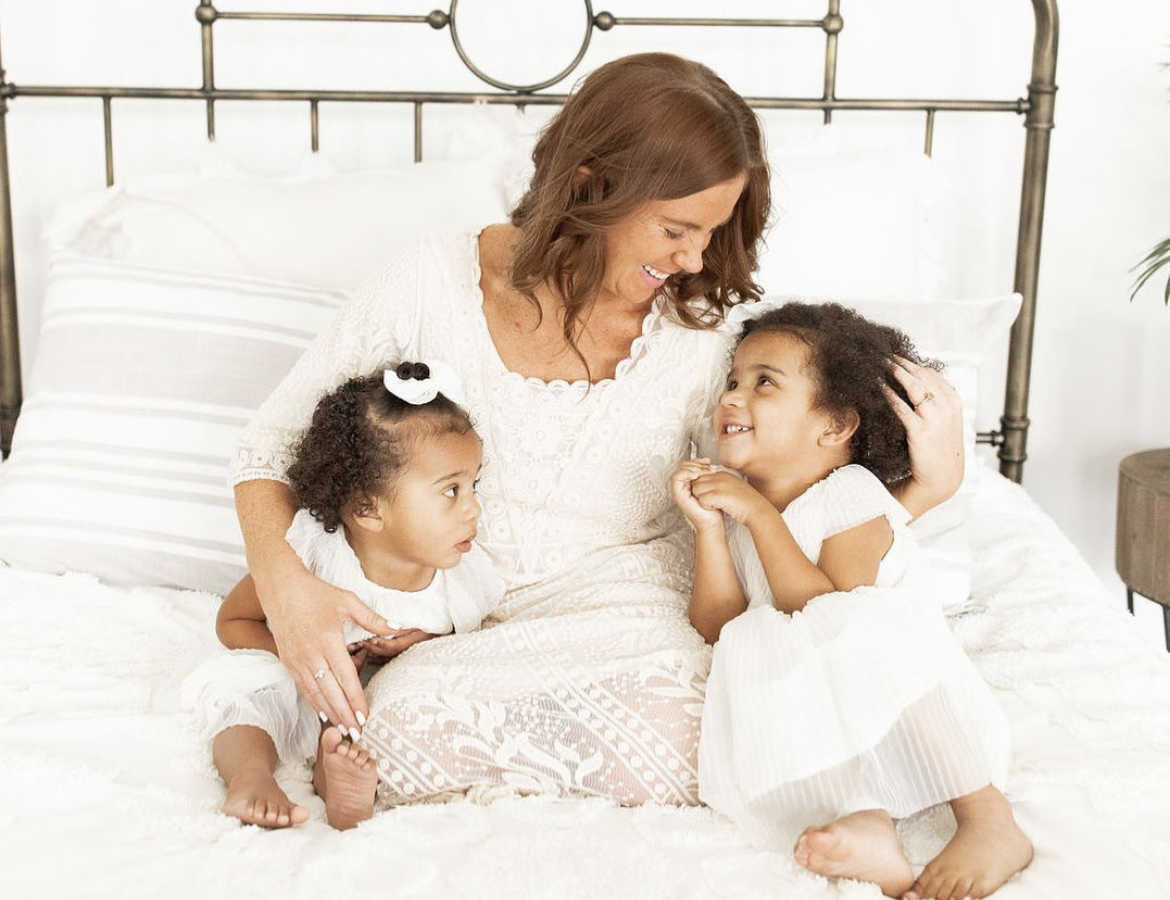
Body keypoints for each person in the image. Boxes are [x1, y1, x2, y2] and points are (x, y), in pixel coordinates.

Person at [229, 52, 965, 808]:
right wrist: (289, 591)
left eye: (710, 234)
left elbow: (776, 493)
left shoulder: (704, 334)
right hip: (450, 616)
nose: (694, 258)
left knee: (727, 715)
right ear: (589, 185)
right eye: (678, 229)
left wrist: (917, 497)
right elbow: (268, 450)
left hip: (629, 610)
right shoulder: (426, 286)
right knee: (387, 728)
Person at [673, 302, 1032, 900]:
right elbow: (717, 625)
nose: (733, 397)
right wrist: (709, 530)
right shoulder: (736, 507)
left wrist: (760, 517)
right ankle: (869, 825)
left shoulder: (851, 495)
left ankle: (987, 816)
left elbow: (826, 611)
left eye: (765, 383)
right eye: (732, 381)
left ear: (835, 427)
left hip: (901, 695)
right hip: (819, 704)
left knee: (848, 625)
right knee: (750, 650)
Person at [184, 362, 503, 828]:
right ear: (367, 509)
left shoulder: (462, 575)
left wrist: (410, 644)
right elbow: (233, 622)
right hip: (290, 677)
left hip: (357, 699)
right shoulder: (314, 557)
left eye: (473, 485)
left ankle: (341, 791)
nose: (474, 507)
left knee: (360, 730)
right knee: (246, 700)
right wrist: (297, 659)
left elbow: (460, 648)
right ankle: (250, 778)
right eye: (451, 491)